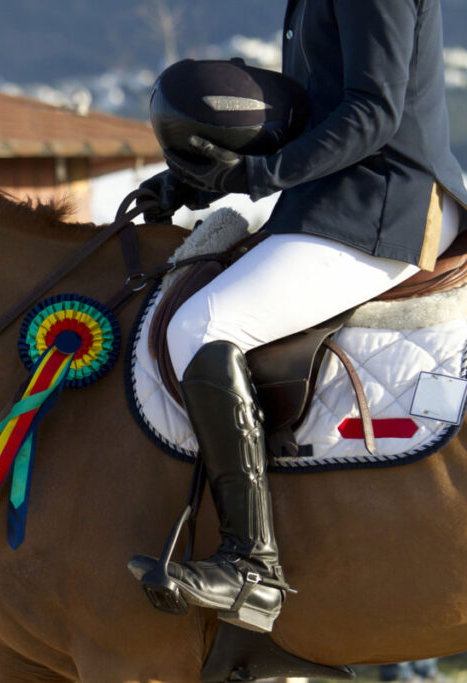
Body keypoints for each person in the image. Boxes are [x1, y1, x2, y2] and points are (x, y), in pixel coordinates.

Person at [127, 0, 467, 634]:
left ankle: (250, 567)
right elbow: (312, 109)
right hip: (329, 199)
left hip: (380, 204)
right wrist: (199, 181)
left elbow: (373, 112)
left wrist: (254, 176)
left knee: (200, 327)